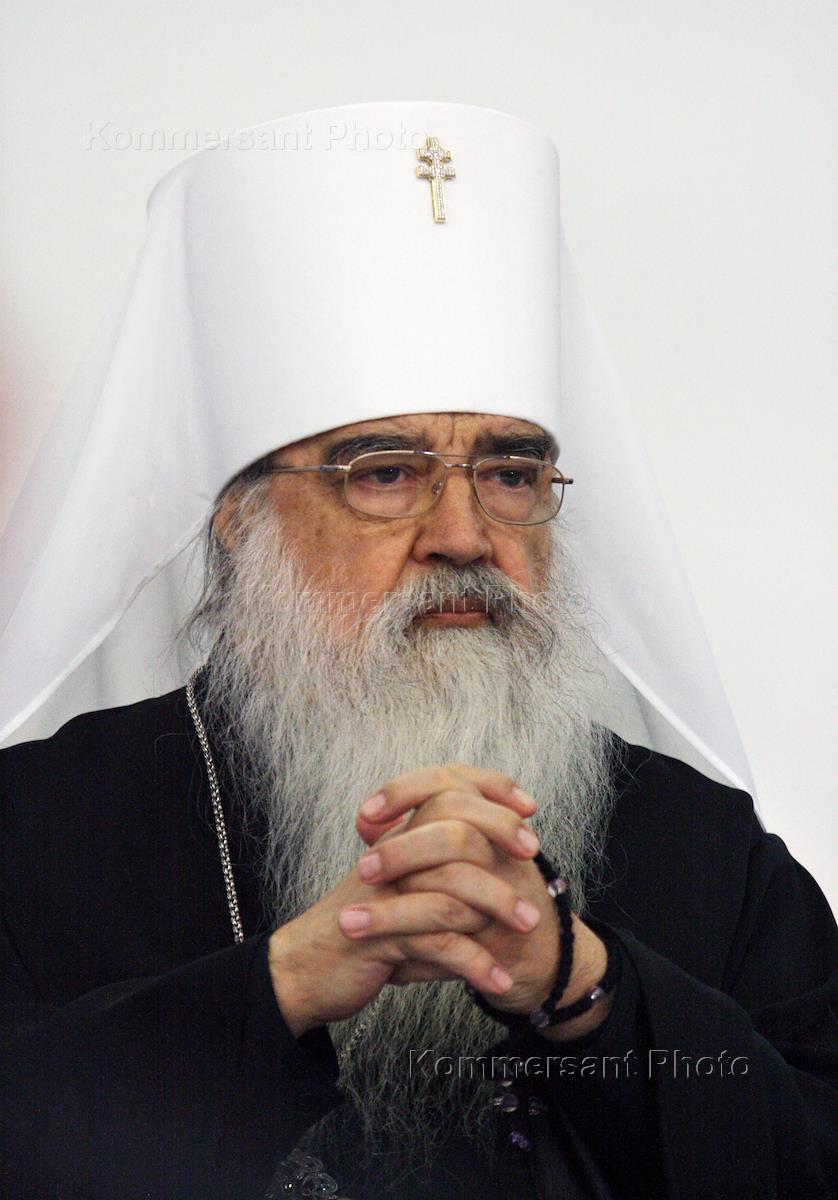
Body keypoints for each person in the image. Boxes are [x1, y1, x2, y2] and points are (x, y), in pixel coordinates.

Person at [1, 103, 836, 1200]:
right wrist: (287, 983)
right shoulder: (39, 827)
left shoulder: (702, 845)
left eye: (510, 475)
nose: (464, 536)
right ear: (241, 521)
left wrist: (584, 986)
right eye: (385, 473)